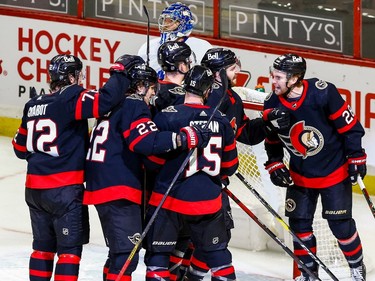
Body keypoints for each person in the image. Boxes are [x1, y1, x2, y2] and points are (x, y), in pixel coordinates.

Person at [11, 53, 144, 281]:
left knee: (42, 248)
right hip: (64, 191)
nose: (81, 79)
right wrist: (120, 72)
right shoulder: (71, 96)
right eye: (79, 74)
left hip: (34, 191)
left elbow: (19, 149)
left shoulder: (32, 104)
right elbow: (105, 100)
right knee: (69, 253)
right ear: (72, 76)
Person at [83, 61, 211, 281]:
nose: (153, 94)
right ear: (140, 86)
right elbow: (144, 141)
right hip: (119, 188)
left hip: (100, 184)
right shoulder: (134, 103)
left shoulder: (115, 104)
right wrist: (182, 138)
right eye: (152, 88)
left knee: (118, 253)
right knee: (126, 257)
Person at [264, 53, 367, 281]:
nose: (274, 81)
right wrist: (274, 163)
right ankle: (308, 274)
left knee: (340, 227)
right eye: (274, 75)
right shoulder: (271, 103)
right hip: (300, 176)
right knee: (299, 227)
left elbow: (350, 127)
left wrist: (356, 156)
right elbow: (271, 140)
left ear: (296, 78)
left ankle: (357, 270)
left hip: (334, 172)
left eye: (280, 77)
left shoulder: (323, 92)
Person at [143, 65, 239, 281]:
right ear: (207, 92)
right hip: (208, 202)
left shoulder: (167, 117)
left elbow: (152, 162)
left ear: (185, 86)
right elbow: (231, 166)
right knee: (220, 259)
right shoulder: (221, 120)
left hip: (169, 200)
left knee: (158, 258)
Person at [138, 2, 212, 78]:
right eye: (165, 20)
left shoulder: (202, 47)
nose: (166, 25)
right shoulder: (149, 47)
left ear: (183, 25)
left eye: (171, 21)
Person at [153, 40, 194, 113]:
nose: (190, 63)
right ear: (182, 66)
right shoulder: (182, 96)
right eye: (187, 61)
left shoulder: (151, 87)